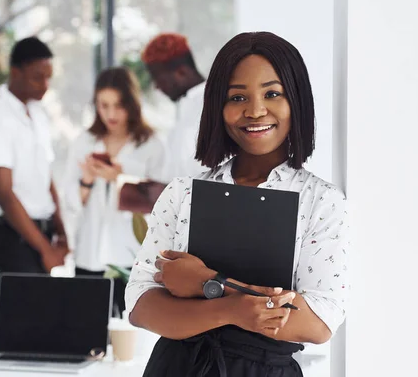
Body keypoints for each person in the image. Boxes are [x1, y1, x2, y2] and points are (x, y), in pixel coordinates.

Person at [126, 32, 350, 377]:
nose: (255, 110)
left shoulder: (321, 201)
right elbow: (142, 306)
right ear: (219, 105)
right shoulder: (184, 192)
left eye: (272, 93)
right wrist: (232, 310)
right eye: (237, 97)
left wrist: (208, 283)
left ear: (297, 101)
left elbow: (318, 321)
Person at [64, 67, 165, 316]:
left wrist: (122, 177)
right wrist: (87, 180)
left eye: (118, 105)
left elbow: (164, 202)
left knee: (131, 333)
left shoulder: (152, 145)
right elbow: (71, 203)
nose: (110, 114)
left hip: (131, 256)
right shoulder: (84, 142)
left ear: (132, 103)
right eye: (103, 105)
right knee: (87, 329)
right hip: (90, 253)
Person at [0, 36, 69, 276]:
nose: (45, 85)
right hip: (15, 235)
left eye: (48, 77)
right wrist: (45, 249)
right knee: (23, 311)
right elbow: (4, 193)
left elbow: (46, 177)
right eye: (38, 77)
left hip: (42, 232)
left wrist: (62, 232)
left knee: (39, 311)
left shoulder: (38, 115)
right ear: (15, 73)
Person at [141, 33, 207, 180]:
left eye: (158, 79)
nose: (157, 87)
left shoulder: (213, 106)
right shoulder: (186, 107)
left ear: (181, 72)